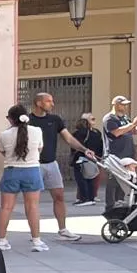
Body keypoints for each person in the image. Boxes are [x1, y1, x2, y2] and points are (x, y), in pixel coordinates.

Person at [28, 92, 85, 241]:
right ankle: (35, 234)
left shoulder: (55, 120)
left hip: (51, 164)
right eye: (49, 101)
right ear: (39, 103)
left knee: (59, 196)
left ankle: (63, 229)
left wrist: (85, 150)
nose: (52, 104)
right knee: (33, 201)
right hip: (33, 165)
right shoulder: (28, 121)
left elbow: (69, 138)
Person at [0, 104, 49, 252]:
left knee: (6, 207)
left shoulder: (5, 134)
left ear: (11, 119)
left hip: (11, 171)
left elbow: (3, 152)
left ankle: (1, 240)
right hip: (31, 170)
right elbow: (39, 149)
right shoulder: (37, 131)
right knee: (32, 207)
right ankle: (37, 240)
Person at [103, 95, 137, 212]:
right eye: (123, 104)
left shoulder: (125, 118)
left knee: (126, 180)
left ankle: (121, 203)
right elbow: (116, 133)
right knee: (113, 182)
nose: (125, 106)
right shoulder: (109, 119)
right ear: (115, 104)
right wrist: (132, 124)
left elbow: (132, 131)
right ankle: (111, 207)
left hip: (127, 154)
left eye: (126, 104)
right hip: (115, 155)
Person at [71, 113, 104, 205]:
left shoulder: (77, 133)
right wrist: (97, 157)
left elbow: (74, 146)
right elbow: (100, 147)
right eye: (92, 119)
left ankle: (84, 198)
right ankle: (91, 197)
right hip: (93, 159)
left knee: (81, 179)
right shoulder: (96, 133)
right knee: (91, 179)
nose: (94, 121)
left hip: (80, 158)